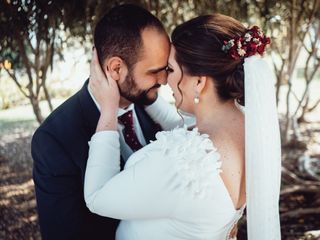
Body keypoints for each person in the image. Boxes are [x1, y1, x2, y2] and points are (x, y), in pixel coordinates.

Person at [84, 13, 282, 240]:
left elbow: (97, 197)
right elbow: (185, 127)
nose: (163, 79)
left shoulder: (181, 161)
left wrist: (108, 110)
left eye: (170, 69)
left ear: (199, 82)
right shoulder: (252, 127)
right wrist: (148, 97)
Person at [31, 4, 172, 239]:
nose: (165, 80)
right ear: (116, 68)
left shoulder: (151, 105)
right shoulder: (55, 139)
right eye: (155, 71)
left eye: (166, 68)